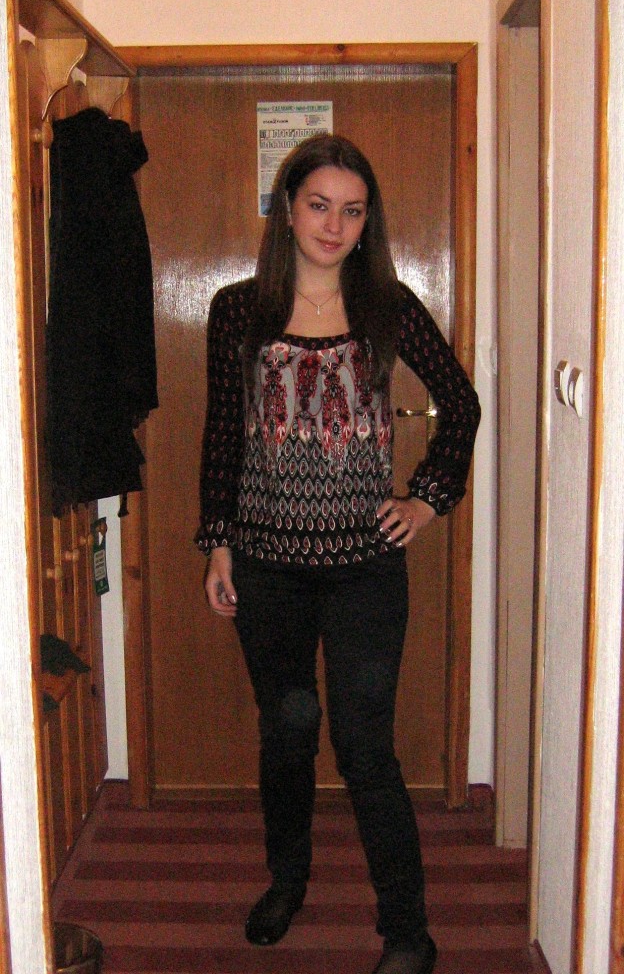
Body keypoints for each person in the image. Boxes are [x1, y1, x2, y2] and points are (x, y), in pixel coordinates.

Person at [196, 134, 480, 974]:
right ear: (287, 209)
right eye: (319, 205)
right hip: (265, 566)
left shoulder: (388, 307)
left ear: (367, 223)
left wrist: (427, 500)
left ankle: (408, 930)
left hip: (365, 569)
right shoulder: (236, 310)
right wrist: (217, 545)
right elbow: (223, 433)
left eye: (352, 211)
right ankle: (287, 883)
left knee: (364, 749)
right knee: (287, 734)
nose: (334, 225)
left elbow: (460, 403)